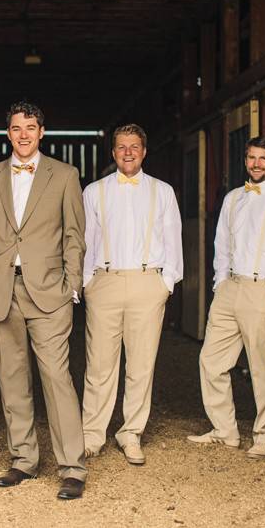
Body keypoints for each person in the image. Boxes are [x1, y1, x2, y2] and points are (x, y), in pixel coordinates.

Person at [0, 101, 87, 500]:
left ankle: (72, 467)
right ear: (8, 134)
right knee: (12, 379)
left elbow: (74, 235)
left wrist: (72, 287)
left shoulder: (66, 175)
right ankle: (23, 460)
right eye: (16, 128)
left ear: (42, 132)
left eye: (30, 127)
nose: (23, 134)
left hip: (50, 292)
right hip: (2, 292)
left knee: (57, 378)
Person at [188, 136, 265, 458]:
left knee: (262, 368)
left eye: (263, 158)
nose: (256, 164)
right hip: (230, 289)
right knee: (211, 362)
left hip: (261, 290)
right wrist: (220, 283)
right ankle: (225, 431)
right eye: (252, 158)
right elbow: (221, 243)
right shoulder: (233, 198)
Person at [81, 124, 182, 465]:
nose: (128, 152)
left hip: (147, 282)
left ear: (144, 151)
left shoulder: (162, 191)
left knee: (140, 365)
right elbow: (86, 240)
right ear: (113, 152)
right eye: (122, 147)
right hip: (104, 282)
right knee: (99, 365)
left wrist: (166, 284)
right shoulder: (94, 191)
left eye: (134, 146)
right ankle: (92, 434)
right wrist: (87, 283)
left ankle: (131, 433)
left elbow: (173, 240)